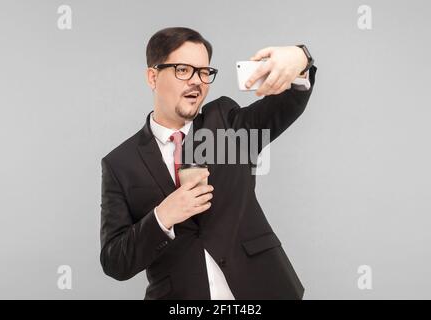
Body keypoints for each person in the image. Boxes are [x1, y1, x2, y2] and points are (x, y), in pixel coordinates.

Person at [100, 27, 317, 299]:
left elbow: (287, 104)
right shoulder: (120, 163)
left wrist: (299, 59)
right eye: (183, 70)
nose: (197, 81)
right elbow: (115, 261)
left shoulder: (226, 123)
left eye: (204, 72)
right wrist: (163, 216)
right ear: (152, 77)